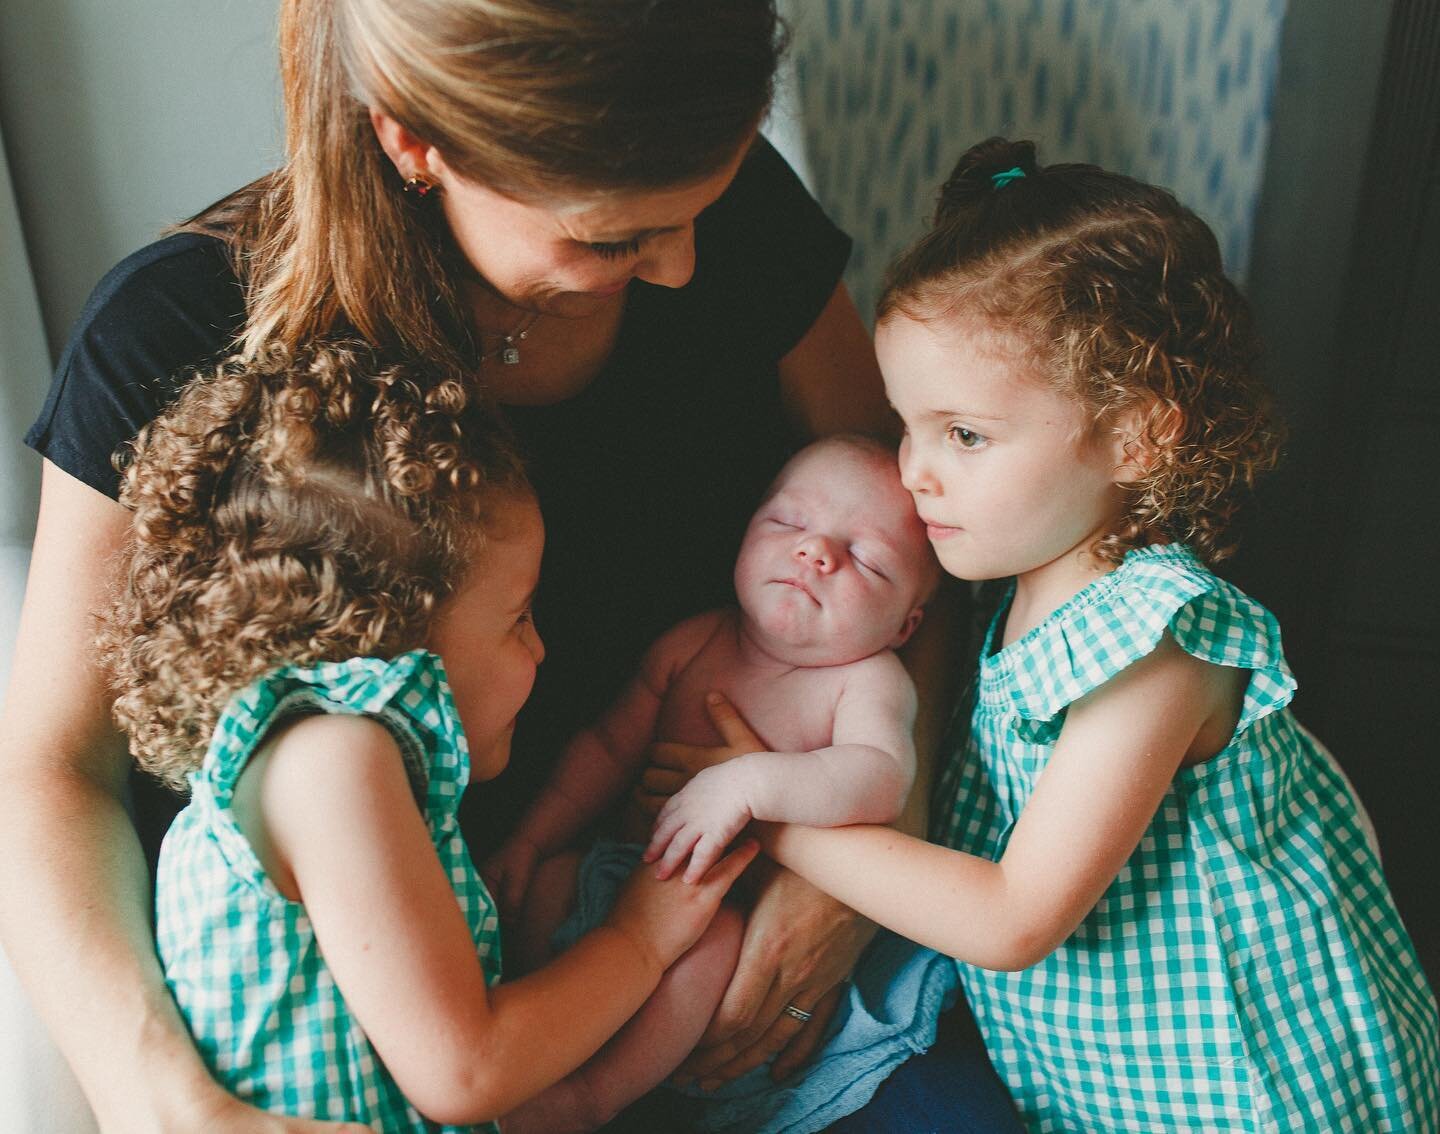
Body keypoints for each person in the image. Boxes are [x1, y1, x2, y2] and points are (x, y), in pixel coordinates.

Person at [1, 1, 1020, 1128]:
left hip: (731, 896)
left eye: (707, 201)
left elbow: (929, 543)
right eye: (610, 238)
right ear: (413, 143)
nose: (680, 266)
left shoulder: (723, 221)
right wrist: (161, 1097)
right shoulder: (173, 332)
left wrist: (871, 857)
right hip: (416, 1009)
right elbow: (51, 773)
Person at [710, 138, 1440, 1131]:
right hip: (1098, 1078)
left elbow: (1011, 917)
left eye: (963, 435)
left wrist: (774, 816)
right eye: (906, 425)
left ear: (1137, 436)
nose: (914, 471)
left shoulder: (1155, 645)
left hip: (1245, 1088)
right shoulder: (997, 594)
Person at [101, 344, 757, 1132]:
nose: (541, 649)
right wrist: (642, 938)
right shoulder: (330, 762)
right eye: (519, 618)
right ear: (390, 635)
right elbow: (465, 1072)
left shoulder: (313, 757)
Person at [483, 435, 944, 1132]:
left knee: (712, 942)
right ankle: (556, 1053)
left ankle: (598, 1095)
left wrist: (750, 783)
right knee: (549, 881)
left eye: (869, 561)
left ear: (906, 624)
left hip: (739, 925)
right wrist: (531, 836)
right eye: (788, 523)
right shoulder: (693, 643)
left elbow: (882, 777)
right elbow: (606, 749)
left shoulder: (867, 681)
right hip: (623, 883)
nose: (816, 553)